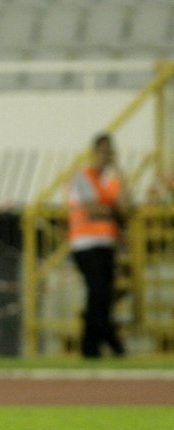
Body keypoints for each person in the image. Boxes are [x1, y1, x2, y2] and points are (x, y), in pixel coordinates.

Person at [66, 132, 131, 358]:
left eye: (110, 152)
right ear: (94, 152)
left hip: (106, 244)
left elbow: (125, 207)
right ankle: (110, 340)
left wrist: (120, 171)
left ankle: (90, 345)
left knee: (103, 295)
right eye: (103, 152)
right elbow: (92, 208)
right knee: (98, 291)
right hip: (85, 244)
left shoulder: (110, 180)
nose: (107, 156)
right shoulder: (82, 176)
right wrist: (112, 210)